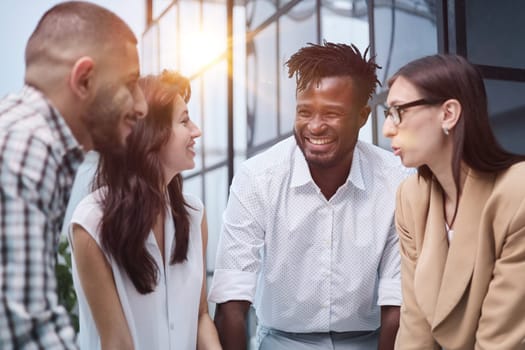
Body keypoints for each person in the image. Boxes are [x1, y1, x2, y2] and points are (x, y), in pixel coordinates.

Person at [208, 41, 410, 350]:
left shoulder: (396, 180)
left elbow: (396, 310)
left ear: (362, 116)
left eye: (332, 113)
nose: (315, 126)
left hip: (368, 341)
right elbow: (230, 306)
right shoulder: (257, 178)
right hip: (280, 341)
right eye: (305, 112)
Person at [0, 2, 147, 348]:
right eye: (130, 84)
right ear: (84, 80)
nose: (140, 105)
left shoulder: (34, 143)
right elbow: (25, 331)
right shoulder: (27, 148)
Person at [68, 70, 222, 350]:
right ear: (151, 134)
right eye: (185, 120)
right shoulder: (92, 223)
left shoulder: (193, 215)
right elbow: (117, 343)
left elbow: (200, 316)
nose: (196, 130)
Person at [382, 54, 525, 350]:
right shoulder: (411, 198)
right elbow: (415, 328)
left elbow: (499, 342)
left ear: (448, 113)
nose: (387, 129)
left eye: (398, 112)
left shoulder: (517, 193)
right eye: (387, 113)